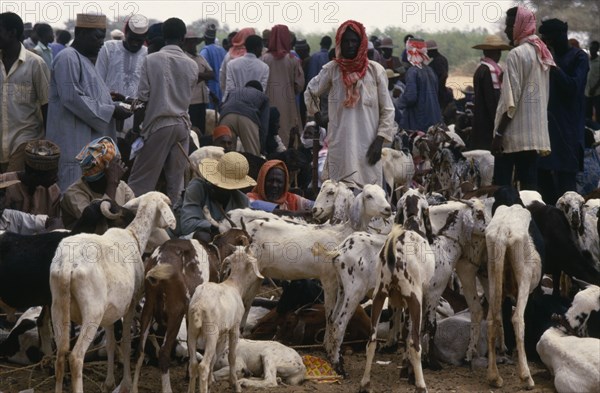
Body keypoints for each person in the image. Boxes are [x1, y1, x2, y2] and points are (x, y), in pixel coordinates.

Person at [46, 13, 132, 191]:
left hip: (87, 145)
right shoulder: (68, 57)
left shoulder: (84, 60)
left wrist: (107, 98)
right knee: (70, 195)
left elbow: (84, 93)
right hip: (72, 142)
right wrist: (111, 110)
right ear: (80, 33)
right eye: (97, 37)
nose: (101, 42)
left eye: (103, 37)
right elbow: (71, 97)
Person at [305, 20, 394, 187]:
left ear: (361, 44)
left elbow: (388, 110)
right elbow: (310, 91)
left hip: (368, 147)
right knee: (339, 193)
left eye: (354, 41)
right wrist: (318, 116)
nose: (350, 45)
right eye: (346, 41)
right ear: (339, 43)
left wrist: (379, 140)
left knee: (370, 196)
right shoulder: (332, 70)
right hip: (341, 145)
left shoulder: (375, 71)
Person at [127, 17, 198, 205]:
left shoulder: (151, 60)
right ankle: (172, 223)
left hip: (159, 126)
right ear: (183, 38)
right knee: (175, 184)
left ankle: (131, 219)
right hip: (182, 127)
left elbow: (142, 100)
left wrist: (136, 131)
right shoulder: (192, 65)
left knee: (141, 182)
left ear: (163, 36)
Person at [491, 6, 554, 191]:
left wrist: (499, 135)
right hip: (534, 135)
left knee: (502, 190)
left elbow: (511, 100)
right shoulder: (542, 53)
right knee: (529, 189)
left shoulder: (516, 54)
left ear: (519, 26)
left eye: (509, 25)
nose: (505, 30)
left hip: (513, 135)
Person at [537, 18, 589, 204]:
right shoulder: (543, 58)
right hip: (545, 131)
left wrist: (552, 66)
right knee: (544, 188)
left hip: (568, 131)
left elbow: (573, 87)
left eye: (548, 39)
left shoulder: (579, 57)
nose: (545, 43)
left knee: (567, 192)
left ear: (560, 36)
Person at [0, 12, 50, 173]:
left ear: (12, 33)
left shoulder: (35, 64)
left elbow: (47, 104)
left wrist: (47, 145)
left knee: (11, 190)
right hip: (2, 143)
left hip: (25, 142)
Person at [179, 151, 255, 241]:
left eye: (223, 187)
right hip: (188, 242)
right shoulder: (197, 188)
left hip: (227, 246)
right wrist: (215, 226)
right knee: (203, 237)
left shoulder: (242, 201)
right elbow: (187, 225)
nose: (215, 186)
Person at [61, 137, 134, 229]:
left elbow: (136, 217)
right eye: (115, 168)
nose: (121, 169)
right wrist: (112, 183)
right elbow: (100, 228)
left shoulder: (122, 187)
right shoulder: (74, 194)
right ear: (108, 173)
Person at [95, 14, 148, 135]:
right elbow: (98, 81)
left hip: (135, 118)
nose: (135, 43)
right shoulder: (108, 48)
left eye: (139, 41)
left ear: (145, 38)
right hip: (109, 112)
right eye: (132, 39)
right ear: (125, 33)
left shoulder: (148, 55)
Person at [262, 24, 305, 146]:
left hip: (268, 104)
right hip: (288, 104)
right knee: (288, 133)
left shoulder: (264, 59)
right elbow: (299, 86)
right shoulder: (293, 60)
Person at [470, 35, 512, 150]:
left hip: (479, 120)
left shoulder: (480, 69)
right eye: (498, 52)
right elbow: (493, 101)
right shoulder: (491, 70)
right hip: (488, 125)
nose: (499, 55)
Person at [0, 140, 61, 217]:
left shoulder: (53, 191)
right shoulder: (3, 183)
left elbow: (53, 224)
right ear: (34, 176)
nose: (56, 179)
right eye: (51, 175)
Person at [398, 38, 442, 132]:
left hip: (419, 121)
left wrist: (399, 102)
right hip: (435, 119)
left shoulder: (412, 71)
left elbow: (410, 98)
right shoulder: (430, 70)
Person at [219, 80, 270, 156]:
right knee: (253, 157)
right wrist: (260, 147)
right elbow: (264, 126)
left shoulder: (233, 91)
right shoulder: (263, 96)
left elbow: (222, 106)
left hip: (227, 116)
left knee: (225, 154)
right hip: (247, 117)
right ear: (260, 90)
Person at [247, 160, 313, 213]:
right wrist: (291, 214)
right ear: (262, 182)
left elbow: (315, 207)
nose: (274, 185)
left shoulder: (292, 199)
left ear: (285, 184)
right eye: (270, 180)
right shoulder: (250, 198)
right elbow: (255, 205)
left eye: (279, 182)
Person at [183, 31, 214, 135]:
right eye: (191, 42)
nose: (193, 45)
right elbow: (187, 76)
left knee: (201, 129)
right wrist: (202, 75)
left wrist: (197, 75)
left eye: (195, 42)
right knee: (191, 130)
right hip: (190, 101)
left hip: (202, 100)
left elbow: (211, 74)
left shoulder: (200, 57)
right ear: (185, 43)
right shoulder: (184, 58)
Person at [224, 34, 269, 100]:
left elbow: (229, 88)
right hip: (253, 106)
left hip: (234, 104)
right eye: (261, 47)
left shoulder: (231, 64)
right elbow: (261, 91)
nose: (262, 50)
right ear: (257, 48)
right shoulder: (264, 67)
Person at [219, 27, 255, 99]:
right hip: (252, 98)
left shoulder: (229, 54)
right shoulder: (254, 55)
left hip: (232, 97)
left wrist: (226, 95)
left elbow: (222, 77)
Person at [200, 24, 226, 108]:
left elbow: (202, 72)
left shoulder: (205, 51)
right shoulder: (222, 50)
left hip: (211, 92)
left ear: (205, 38)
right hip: (222, 90)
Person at [426, 39, 450, 112]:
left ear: (431, 51)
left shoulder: (437, 61)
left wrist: (437, 87)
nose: (426, 54)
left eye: (427, 51)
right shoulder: (442, 59)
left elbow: (444, 75)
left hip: (439, 94)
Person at [585, 41, 600, 121]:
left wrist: (594, 88)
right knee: (587, 114)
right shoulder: (587, 60)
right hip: (587, 92)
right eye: (591, 48)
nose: (592, 50)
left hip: (597, 93)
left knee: (598, 114)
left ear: (597, 49)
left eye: (594, 48)